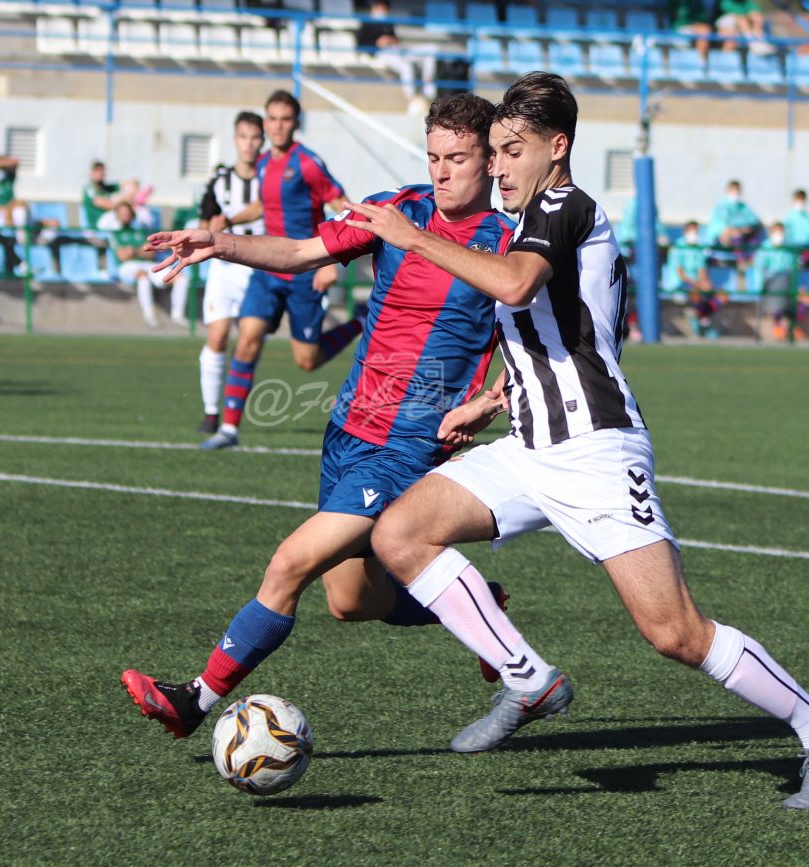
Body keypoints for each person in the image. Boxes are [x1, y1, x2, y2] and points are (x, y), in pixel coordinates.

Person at [348, 72, 809, 812]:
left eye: (512, 150)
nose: (497, 166)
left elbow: (518, 287)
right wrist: (493, 397)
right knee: (401, 533)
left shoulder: (565, 204)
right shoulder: (528, 216)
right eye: (492, 151)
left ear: (558, 149)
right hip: (529, 446)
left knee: (676, 633)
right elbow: (552, 326)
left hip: (596, 450)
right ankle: (527, 678)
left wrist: (412, 236)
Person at [121, 92, 515, 738]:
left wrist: (490, 398)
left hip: (408, 448)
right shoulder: (398, 210)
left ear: (490, 160)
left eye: (459, 159)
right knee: (352, 600)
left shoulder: (504, 247)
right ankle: (483, 607)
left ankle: (192, 699)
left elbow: (537, 345)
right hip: (346, 435)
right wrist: (218, 243)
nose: (443, 172)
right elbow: (303, 253)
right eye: (434, 157)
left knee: (288, 565)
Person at [198, 89, 361, 450]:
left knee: (307, 360)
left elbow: (342, 206)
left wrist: (333, 258)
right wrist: (231, 220)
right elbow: (264, 203)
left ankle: (359, 321)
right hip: (267, 271)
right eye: (271, 118)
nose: (277, 126)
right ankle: (228, 428)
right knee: (247, 341)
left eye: (285, 119)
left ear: (296, 124)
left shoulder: (307, 163)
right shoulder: (262, 163)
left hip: (304, 270)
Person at [194, 110, 266, 433]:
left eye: (254, 138)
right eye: (243, 137)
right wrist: (211, 224)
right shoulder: (220, 181)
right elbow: (205, 220)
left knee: (247, 341)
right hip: (225, 268)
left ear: (261, 141)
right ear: (235, 140)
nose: (249, 145)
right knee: (218, 335)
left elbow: (268, 206)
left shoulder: (271, 175)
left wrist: (232, 219)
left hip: (259, 267)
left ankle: (231, 417)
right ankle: (211, 413)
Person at [112, 201, 189, 328]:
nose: (125, 216)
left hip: (148, 264)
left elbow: (151, 254)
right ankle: (149, 316)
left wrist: (134, 250)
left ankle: (177, 315)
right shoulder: (115, 232)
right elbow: (123, 256)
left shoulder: (141, 232)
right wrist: (139, 251)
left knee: (181, 278)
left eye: (127, 213)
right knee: (143, 277)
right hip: (128, 266)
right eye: (122, 213)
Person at [356, 0, 436, 115]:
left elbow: (395, 39)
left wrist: (391, 40)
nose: (382, 10)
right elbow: (361, 46)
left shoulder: (388, 22)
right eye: (379, 7)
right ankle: (412, 99)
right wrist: (377, 43)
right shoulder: (366, 24)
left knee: (430, 50)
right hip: (382, 53)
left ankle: (428, 89)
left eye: (384, 8)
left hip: (397, 50)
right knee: (407, 67)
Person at [663, 220, 723, 338]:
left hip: (696, 284)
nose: (694, 234)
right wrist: (697, 284)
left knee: (721, 295)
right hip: (680, 283)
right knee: (696, 294)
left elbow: (702, 270)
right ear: (685, 232)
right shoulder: (677, 247)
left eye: (696, 231)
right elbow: (681, 275)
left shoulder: (699, 247)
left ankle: (703, 319)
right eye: (691, 231)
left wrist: (705, 282)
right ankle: (701, 321)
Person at [753, 221, 808, 340]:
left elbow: (796, 266)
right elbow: (759, 269)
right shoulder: (765, 248)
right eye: (776, 232)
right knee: (779, 295)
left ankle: (792, 326)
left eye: (781, 232)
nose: (779, 235)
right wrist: (760, 287)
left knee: (806, 298)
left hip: (789, 282)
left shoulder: (789, 247)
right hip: (772, 282)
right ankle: (778, 326)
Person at [0, 155, 30, 241]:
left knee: (20, 209)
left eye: (1, 169)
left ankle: (22, 240)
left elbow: (16, 161)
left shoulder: (8, 181)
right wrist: (6, 211)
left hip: (11, 212)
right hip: (0, 215)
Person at [708, 179, 761, 252]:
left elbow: (753, 219)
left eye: (737, 190)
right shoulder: (722, 205)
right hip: (722, 236)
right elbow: (725, 223)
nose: (735, 192)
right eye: (733, 190)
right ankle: (740, 260)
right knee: (735, 235)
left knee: (754, 236)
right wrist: (741, 227)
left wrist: (744, 227)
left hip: (741, 232)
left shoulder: (742, 205)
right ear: (728, 190)